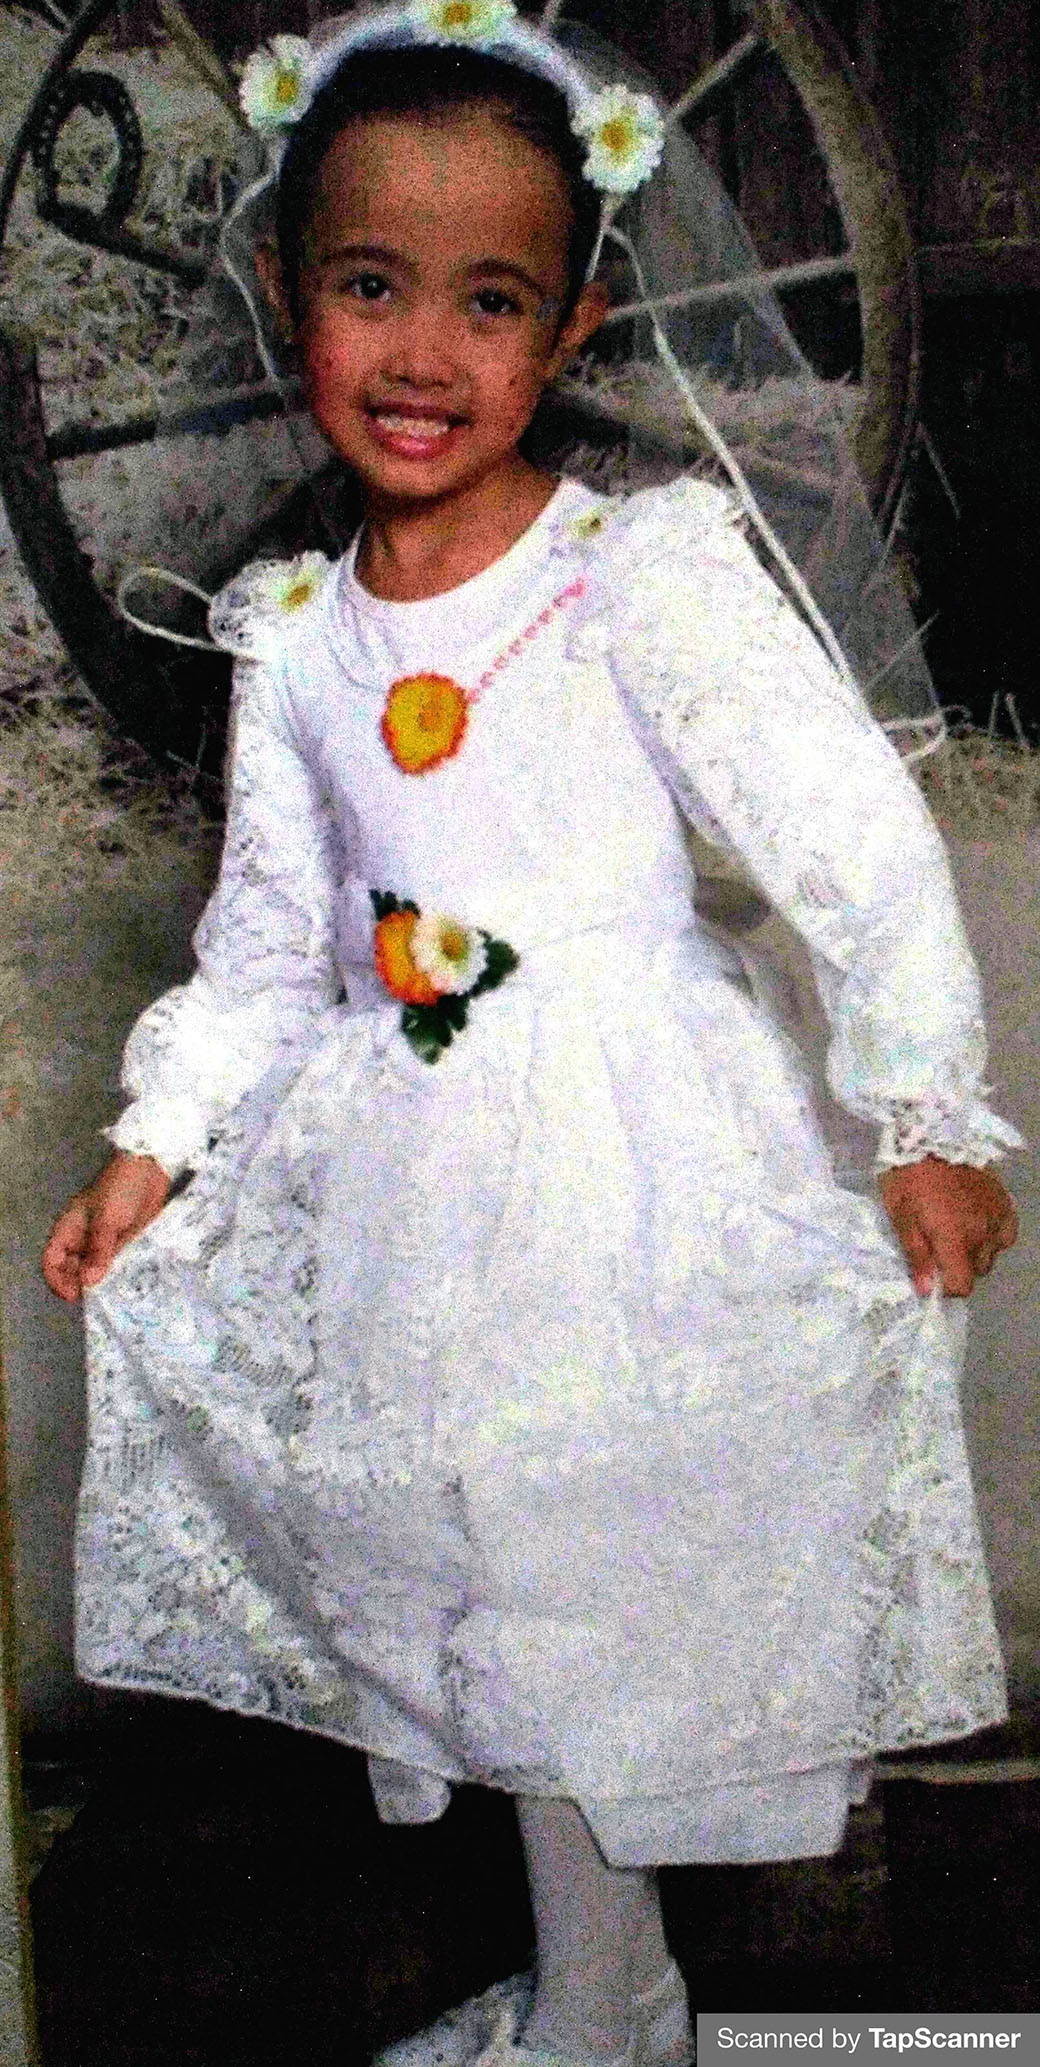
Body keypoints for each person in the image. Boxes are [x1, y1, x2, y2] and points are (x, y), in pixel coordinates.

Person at [43, 8, 1022, 2063]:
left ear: (571, 324)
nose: (423, 353)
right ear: (287, 291)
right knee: (465, 1569)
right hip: (409, 1176)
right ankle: (612, 1987)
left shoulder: (628, 573)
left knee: (595, 1570)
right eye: (368, 286)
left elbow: (844, 834)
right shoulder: (295, 636)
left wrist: (925, 1106)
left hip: (618, 1162)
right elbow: (270, 947)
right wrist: (159, 1143)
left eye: (488, 301)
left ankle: (614, 1998)